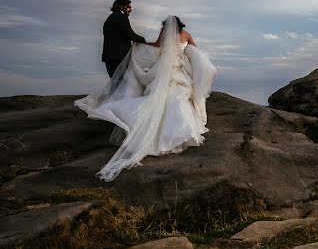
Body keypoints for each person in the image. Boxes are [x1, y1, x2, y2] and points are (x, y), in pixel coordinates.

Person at [75, 15, 217, 181]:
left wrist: (141, 44)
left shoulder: (164, 33)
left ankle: (154, 132)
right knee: (179, 97)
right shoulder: (185, 34)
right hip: (178, 69)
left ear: (166, 25)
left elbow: (156, 46)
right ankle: (179, 132)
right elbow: (195, 50)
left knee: (159, 96)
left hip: (164, 69)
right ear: (180, 25)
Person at [102, 0, 148, 77]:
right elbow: (129, 34)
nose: (131, 9)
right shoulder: (122, 17)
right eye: (129, 7)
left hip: (109, 57)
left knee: (115, 84)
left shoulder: (110, 18)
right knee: (122, 84)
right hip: (119, 57)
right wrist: (142, 40)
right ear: (121, 6)